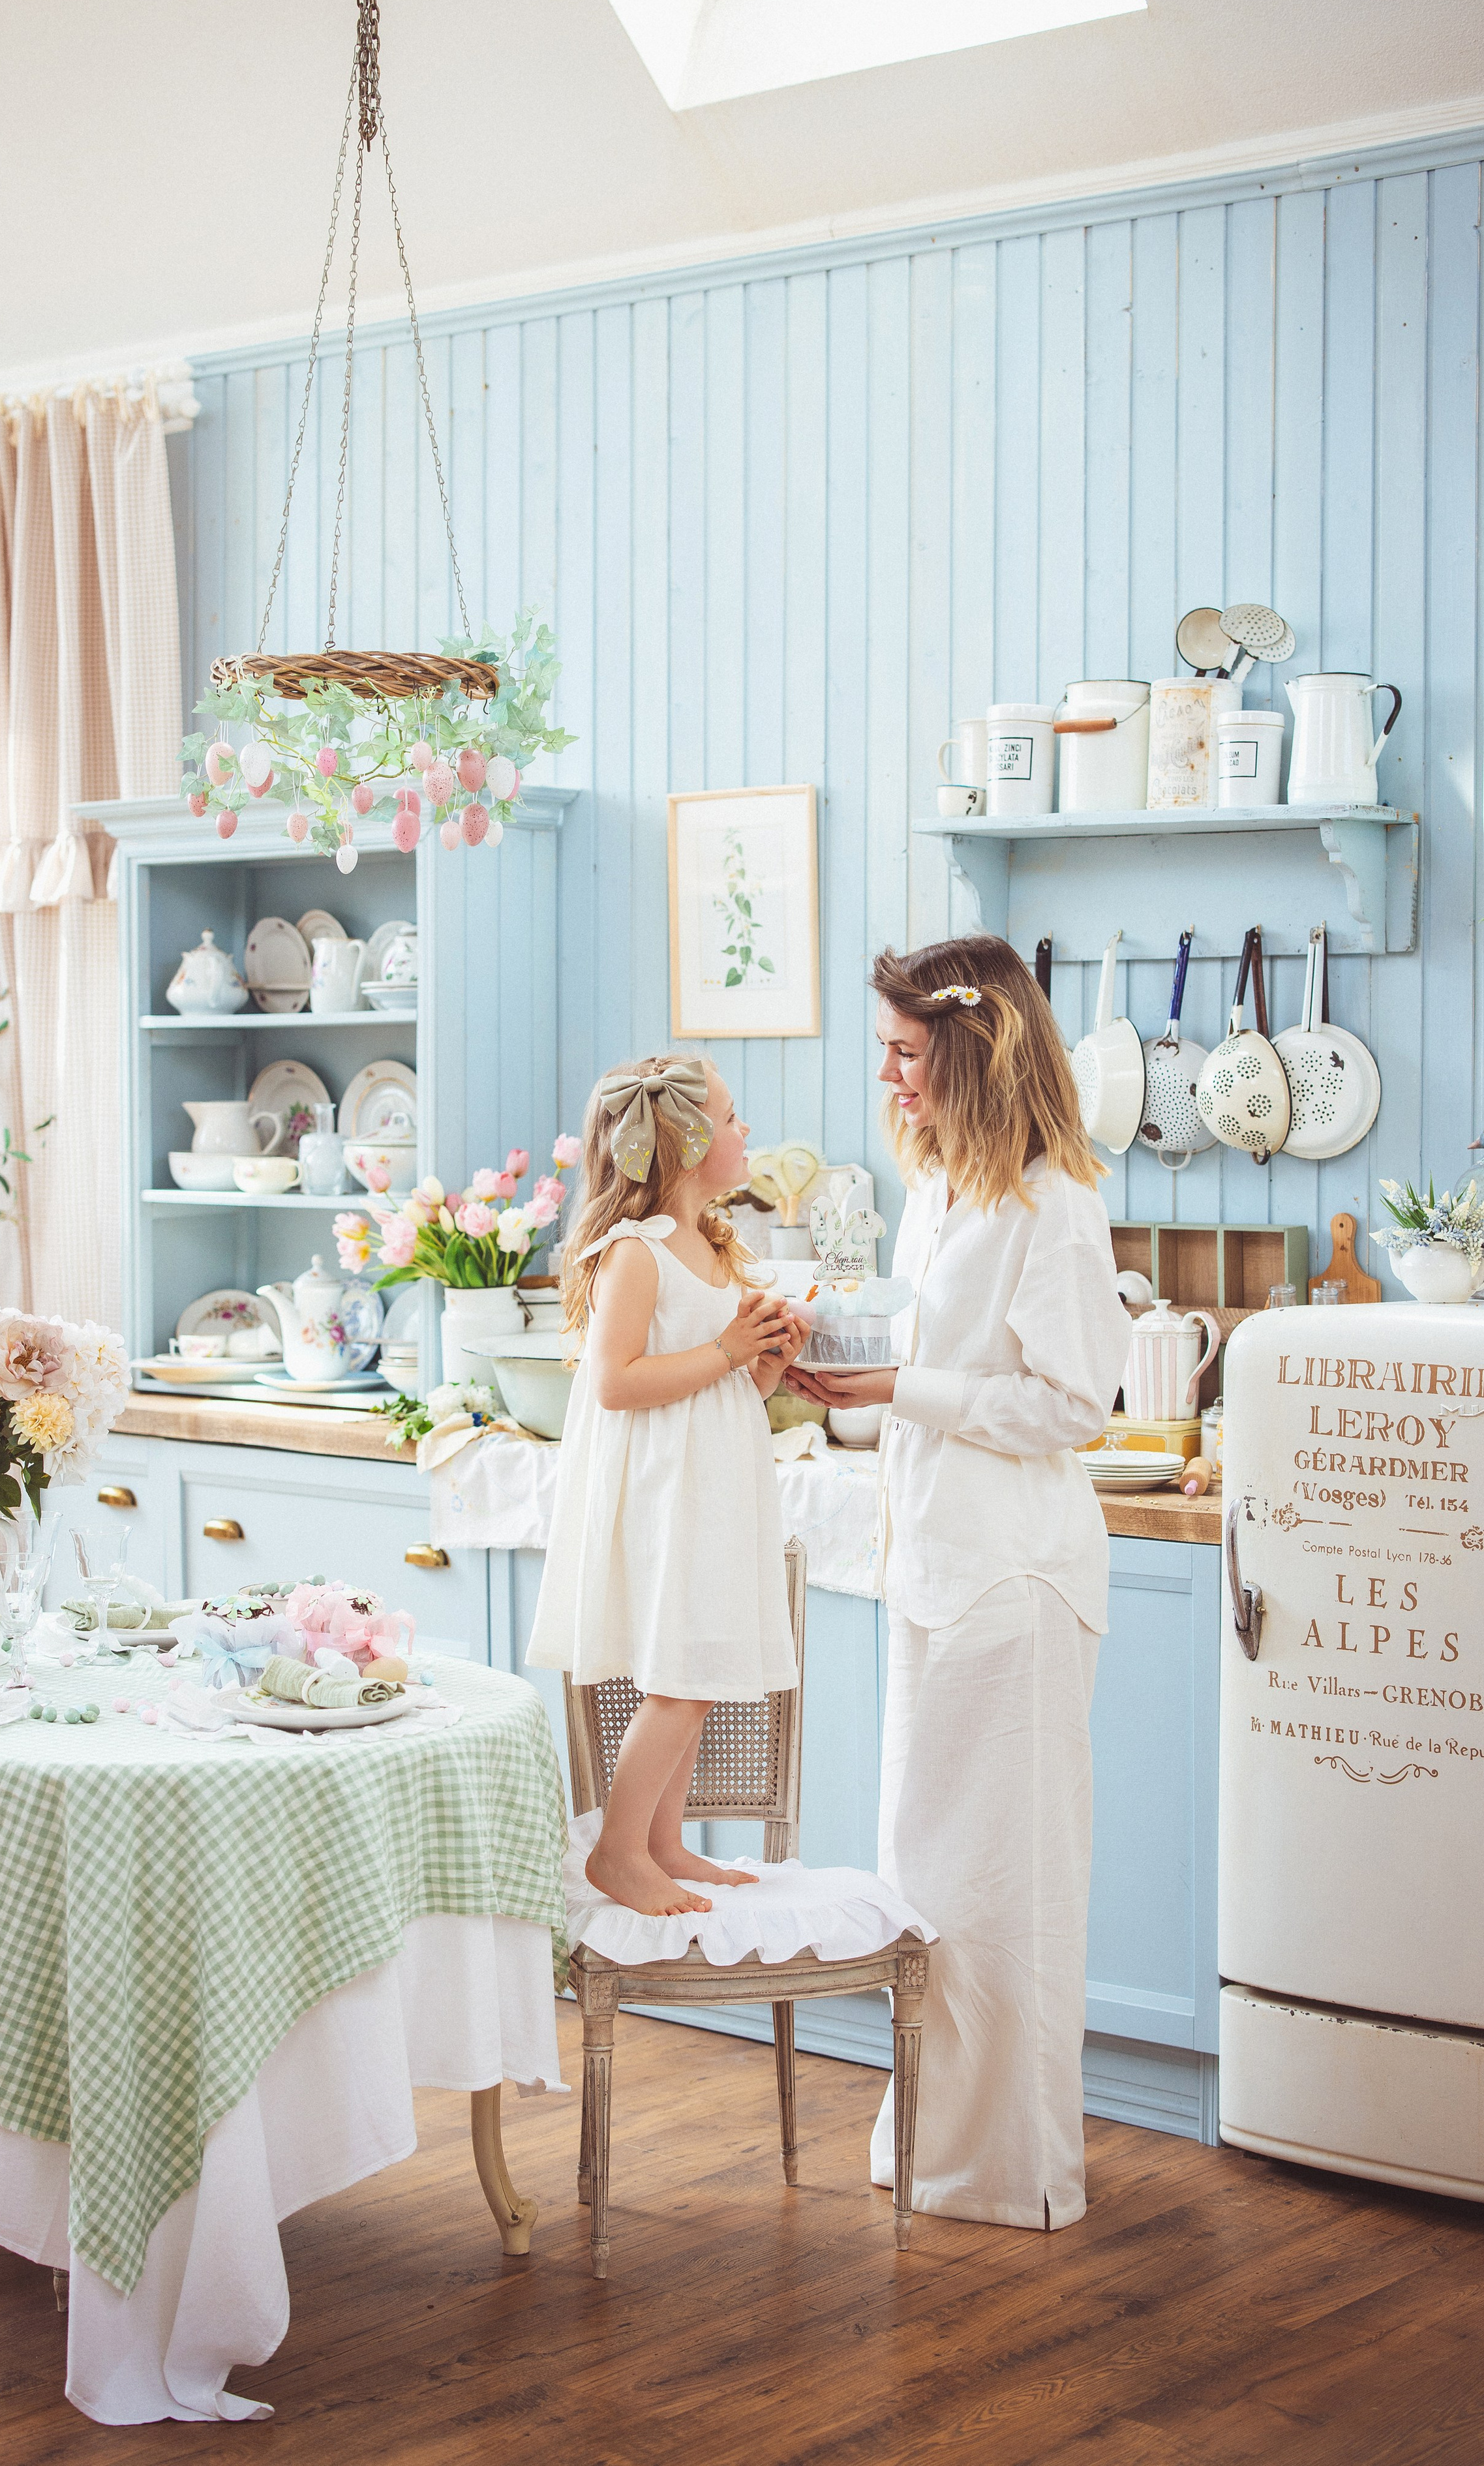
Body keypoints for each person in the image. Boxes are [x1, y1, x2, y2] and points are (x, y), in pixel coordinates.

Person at [785, 934, 1131, 2230]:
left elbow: (1069, 1403)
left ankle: (1010, 2168)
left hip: (1015, 1582)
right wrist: (854, 1392)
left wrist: (896, 1388)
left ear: (973, 1055)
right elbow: (936, 1386)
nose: (886, 1078)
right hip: (938, 1569)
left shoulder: (1053, 1204)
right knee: (931, 1878)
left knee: (1007, 1889)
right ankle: (935, 2141)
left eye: (905, 1054)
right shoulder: (941, 1191)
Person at [526, 1054, 809, 1917]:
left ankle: (661, 1839)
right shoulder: (636, 1254)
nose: (746, 1131)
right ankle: (617, 1849)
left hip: (713, 1488)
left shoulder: (718, 1247)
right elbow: (614, 1382)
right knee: (678, 1679)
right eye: (731, 1118)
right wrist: (726, 1351)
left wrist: (763, 1364)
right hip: (665, 1497)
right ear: (686, 1143)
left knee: (696, 1667)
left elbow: (723, 1386)